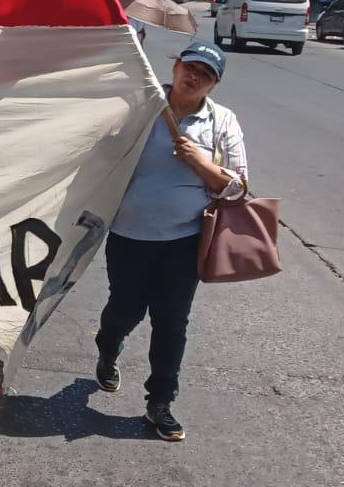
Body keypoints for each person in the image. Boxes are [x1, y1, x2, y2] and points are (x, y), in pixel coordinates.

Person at [93, 40, 247, 442]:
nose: (195, 77)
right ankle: (108, 346)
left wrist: (200, 162)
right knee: (125, 310)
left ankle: (160, 402)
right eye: (191, 67)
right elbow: (100, 153)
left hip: (185, 241)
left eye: (207, 75)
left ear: (213, 85)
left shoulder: (222, 122)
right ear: (176, 66)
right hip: (129, 235)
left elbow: (237, 188)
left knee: (171, 321)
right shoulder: (141, 106)